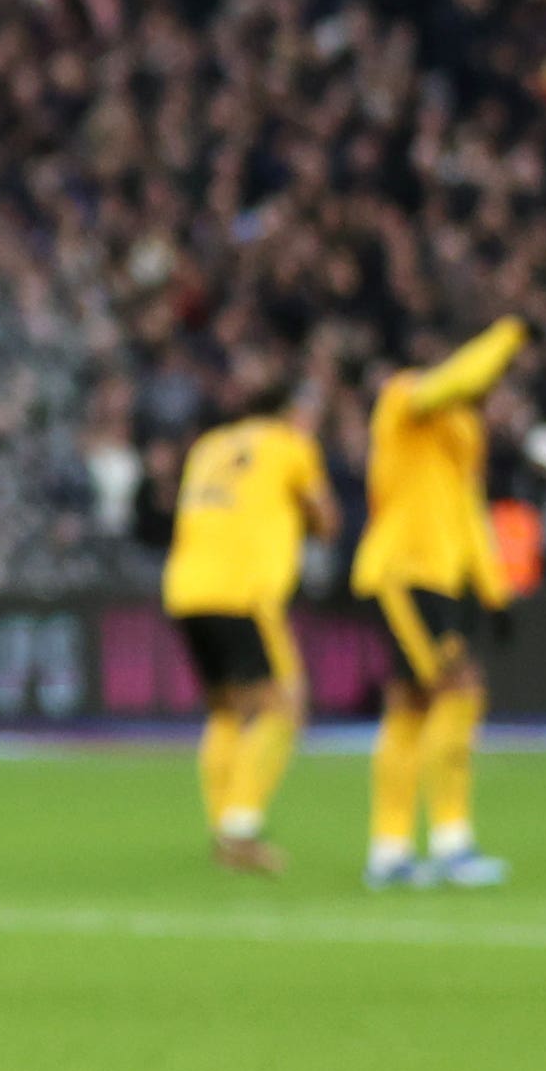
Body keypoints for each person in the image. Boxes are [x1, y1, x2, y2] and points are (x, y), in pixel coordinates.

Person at [352, 318, 526, 890]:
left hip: (442, 581)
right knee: (461, 689)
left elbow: (470, 513)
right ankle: (450, 845)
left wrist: (495, 592)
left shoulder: (462, 429)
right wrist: (511, 333)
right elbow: (452, 382)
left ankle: (391, 852)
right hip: (405, 571)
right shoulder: (407, 397)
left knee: (411, 707)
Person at [160, 380, 337, 874]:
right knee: (285, 705)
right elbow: (327, 521)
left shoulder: (209, 446)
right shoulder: (291, 445)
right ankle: (241, 827)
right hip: (244, 592)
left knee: (227, 710)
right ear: (291, 414)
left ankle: (223, 826)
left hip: (185, 587)